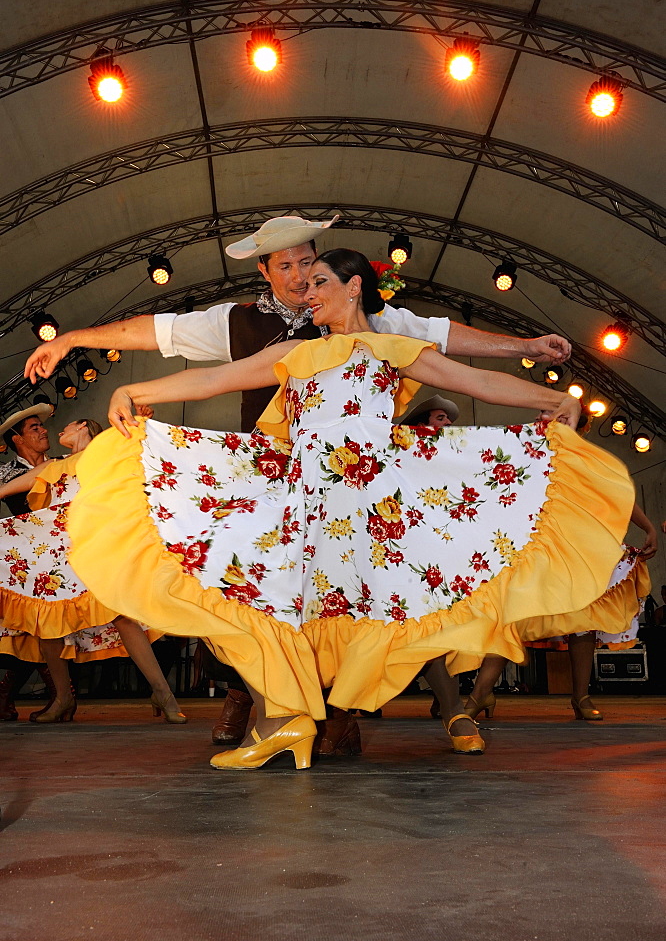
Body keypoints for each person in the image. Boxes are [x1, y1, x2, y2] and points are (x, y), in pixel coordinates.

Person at [67, 247, 635, 770]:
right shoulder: (295, 353)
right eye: (303, 283)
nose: (306, 292)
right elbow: (215, 377)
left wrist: (555, 398)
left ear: (353, 287)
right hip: (306, 507)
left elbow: (478, 381)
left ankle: (312, 722)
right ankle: (282, 724)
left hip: (370, 513)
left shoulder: (390, 350)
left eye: (318, 282)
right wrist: (136, 395)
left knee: (370, 607)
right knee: (269, 600)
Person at [0, 417, 187, 724]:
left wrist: (137, 415)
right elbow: (21, 483)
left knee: (122, 616)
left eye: (67, 425)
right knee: (47, 620)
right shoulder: (58, 464)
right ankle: (63, 698)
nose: (57, 430)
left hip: (97, 548)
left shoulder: (108, 452)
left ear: (84, 427)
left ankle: (163, 694)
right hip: (60, 554)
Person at [464, 502, 657, 722]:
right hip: (541, 536)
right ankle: (480, 693)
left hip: (584, 540)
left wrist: (648, 527)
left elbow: (616, 488)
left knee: (583, 619)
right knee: (514, 615)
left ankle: (581, 696)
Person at [0, 403, 55, 719]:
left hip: (63, 555)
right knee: (35, 627)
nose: (43, 429)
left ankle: (9, 692)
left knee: (53, 627)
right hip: (29, 559)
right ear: (17, 440)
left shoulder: (62, 463)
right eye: (34, 428)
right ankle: (61, 694)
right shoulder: (7, 474)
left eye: (40, 426)